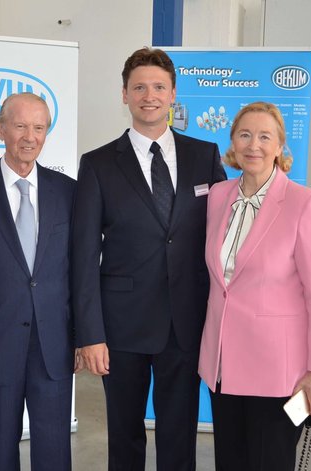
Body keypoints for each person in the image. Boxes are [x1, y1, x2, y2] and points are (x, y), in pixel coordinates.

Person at [72, 48, 227, 471]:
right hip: (121, 326)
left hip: (186, 320)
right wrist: (90, 334)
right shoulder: (99, 164)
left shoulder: (204, 155)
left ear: (173, 93)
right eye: (139, 87)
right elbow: (83, 255)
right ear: (124, 95)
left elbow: (224, 242)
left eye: (158, 87)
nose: (149, 95)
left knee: (180, 434)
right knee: (124, 434)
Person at [198, 101, 311, 471]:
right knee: (229, 463)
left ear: (280, 147)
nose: (253, 145)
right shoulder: (218, 197)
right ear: (232, 142)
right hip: (224, 368)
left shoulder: (305, 203)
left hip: (279, 374)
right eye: (244, 135)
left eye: (265, 136)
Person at [0, 92, 77, 471]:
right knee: (2, 449)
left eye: (39, 127)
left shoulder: (68, 191)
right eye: (20, 125)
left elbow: (79, 271)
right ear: (1, 129)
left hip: (54, 343)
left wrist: (84, 336)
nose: (29, 136)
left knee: (54, 450)